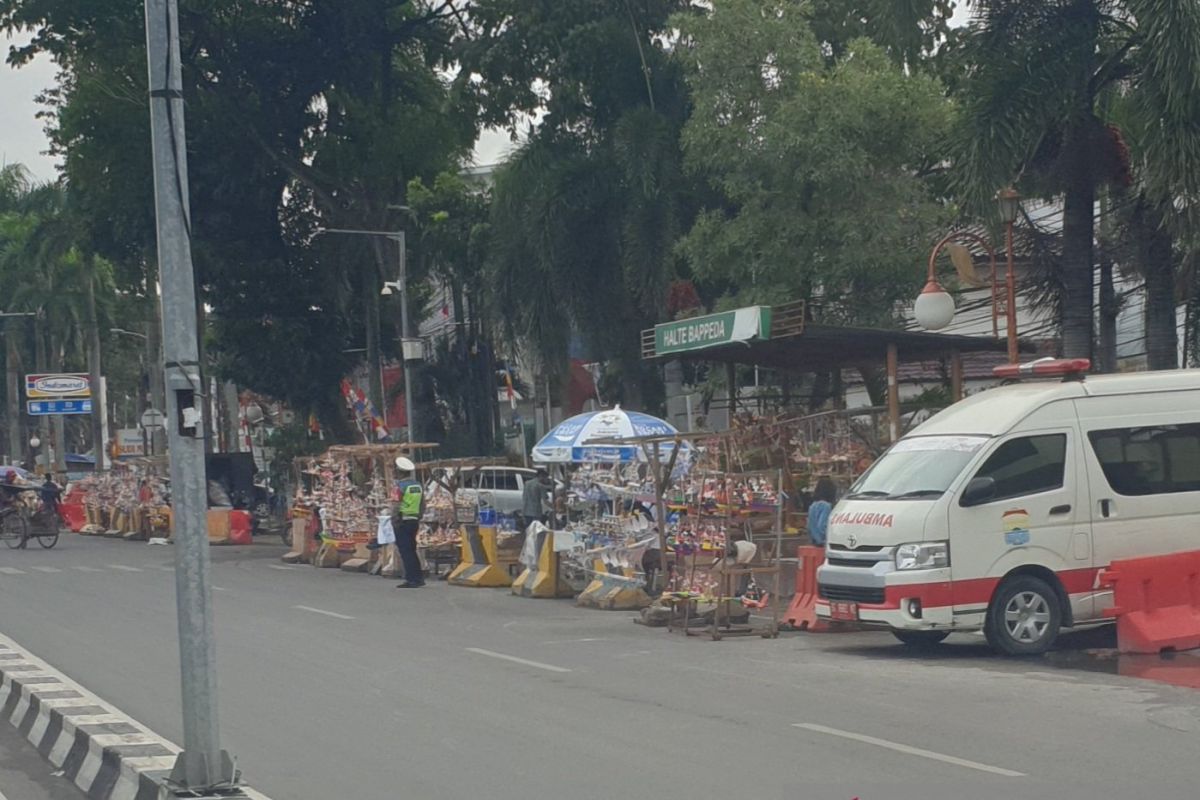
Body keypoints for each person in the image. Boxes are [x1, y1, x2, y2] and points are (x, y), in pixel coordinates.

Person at [392, 457, 426, 588]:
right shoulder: (418, 485)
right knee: (412, 549)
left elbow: (395, 505)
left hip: (402, 521)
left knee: (406, 551)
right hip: (414, 520)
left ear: (400, 472)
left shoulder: (399, 487)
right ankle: (418, 577)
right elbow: (423, 504)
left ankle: (411, 579)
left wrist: (394, 519)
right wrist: (418, 516)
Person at [807, 476, 837, 546]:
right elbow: (822, 526)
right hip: (822, 541)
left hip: (814, 541)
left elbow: (810, 525)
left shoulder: (812, 506)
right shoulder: (826, 506)